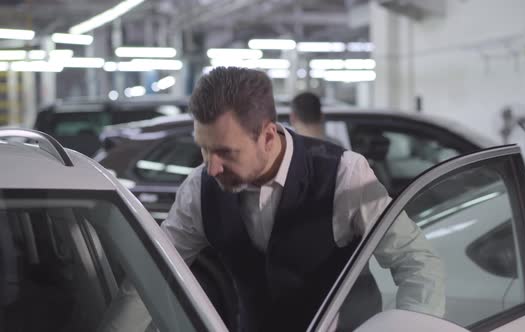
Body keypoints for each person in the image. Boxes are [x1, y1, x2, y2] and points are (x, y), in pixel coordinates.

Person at [161, 67, 444, 331]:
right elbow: (157, 269)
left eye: (226, 152)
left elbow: (416, 262)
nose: (212, 167)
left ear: (268, 136)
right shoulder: (198, 189)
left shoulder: (344, 175)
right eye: (204, 149)